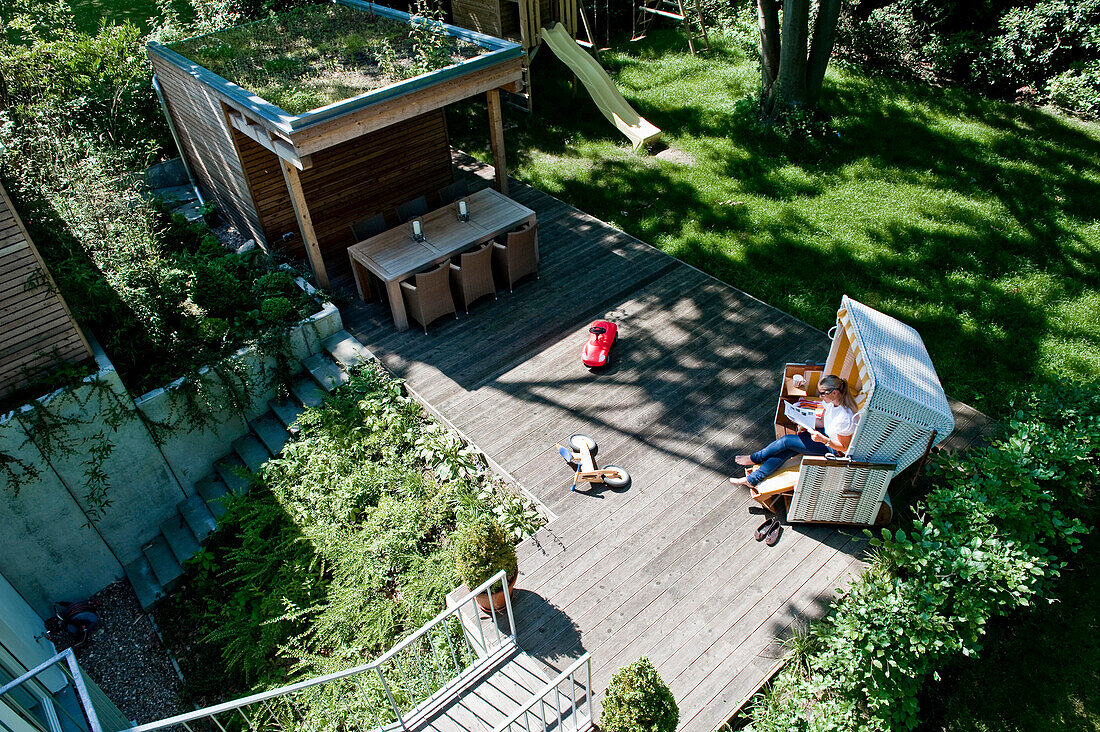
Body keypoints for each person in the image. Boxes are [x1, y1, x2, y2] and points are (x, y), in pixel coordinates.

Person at [729, 374, 859, 487]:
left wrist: (823, 440)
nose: (820, 396)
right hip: (825, 435)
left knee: (786, 441)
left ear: (835, 393)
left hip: (832, 449)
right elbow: (825, 422)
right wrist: (800, 418)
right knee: (788, 450)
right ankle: (752, 479)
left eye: (822, 393)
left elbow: (844, 448)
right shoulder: (832, 403)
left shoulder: (845, 418)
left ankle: (755, 458)